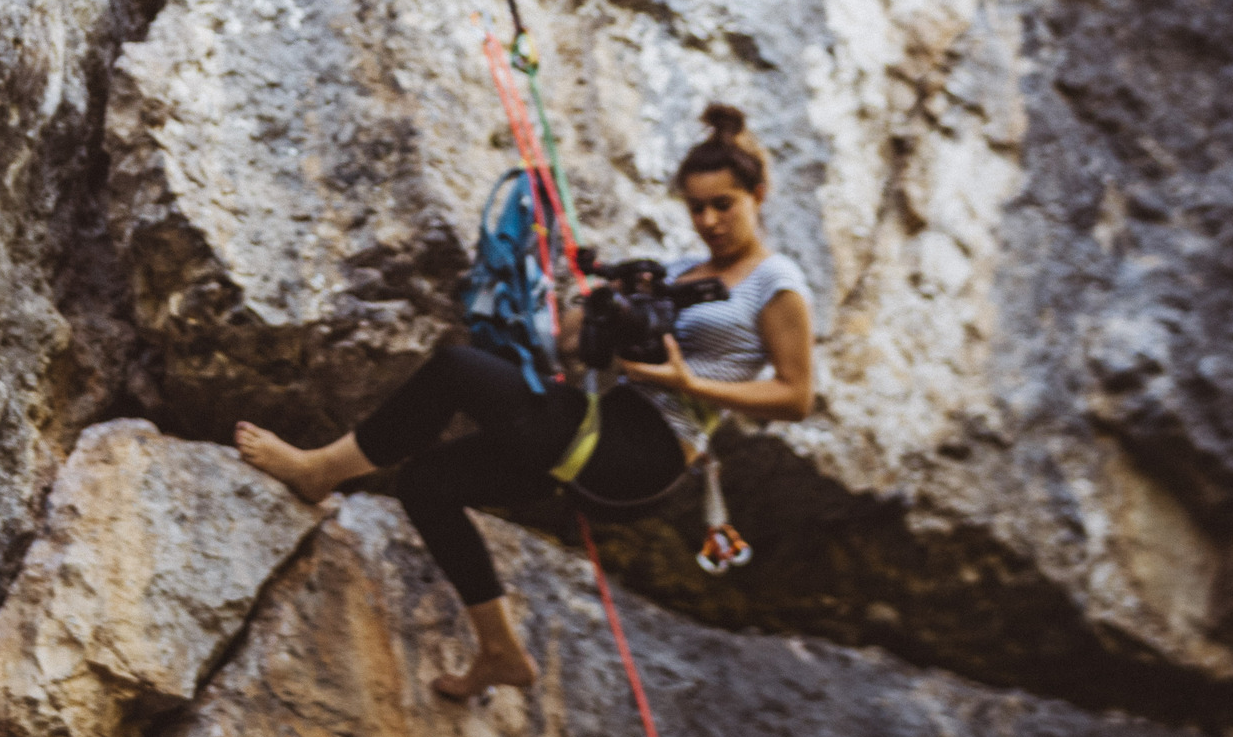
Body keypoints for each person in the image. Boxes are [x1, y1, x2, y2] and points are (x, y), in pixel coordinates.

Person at [236, 104, 816, 699]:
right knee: (426, 483)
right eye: (697, 207)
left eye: (725, 204)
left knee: (458, 369)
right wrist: (596, 312)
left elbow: (795, 396)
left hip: (646, 450)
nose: (710, 220)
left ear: (758, 195)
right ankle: (501, 653)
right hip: (603, 425)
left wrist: (689, 384)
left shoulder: (777, 282)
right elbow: (570, 341)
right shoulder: (674, 272)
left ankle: (320, 471)